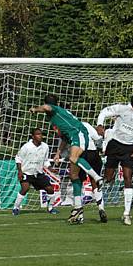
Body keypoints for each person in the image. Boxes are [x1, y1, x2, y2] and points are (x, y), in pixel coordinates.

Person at [29, 95, 104, 224]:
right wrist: (58, 153)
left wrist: (35, 110)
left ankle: (97, 178)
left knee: (73, 158)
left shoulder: (54, 109)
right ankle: (78, 208)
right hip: (75, 136)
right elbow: (64, 137)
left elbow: (47, 107)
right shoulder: (60, 117)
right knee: (73, 175)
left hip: (79, 134)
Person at [96, 94, 133, 226]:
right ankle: (99, 202)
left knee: (127, 178)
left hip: (129, 149)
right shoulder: (121, 109)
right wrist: (100, 125)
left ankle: (126, 213)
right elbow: (104, 112)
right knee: (108, 178)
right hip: (115, 145)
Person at [55, 120, 107, 223]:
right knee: (94, 183)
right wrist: (102, 148)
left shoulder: (66, 126)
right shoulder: (85, 124)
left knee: (75, 178)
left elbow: (64, 139)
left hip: (82, 153)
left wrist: (58, 153)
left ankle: (79, 213)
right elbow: (97, 137)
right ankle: (101, 208)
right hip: (94, 153)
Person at [12, 128, 59, 216]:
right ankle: (16, 208)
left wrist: (50, 168)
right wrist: (20, 171)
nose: (40, 136)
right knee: (25, 188)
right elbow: (18, 158)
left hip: (38, 173)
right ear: (33, 136)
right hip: (27, 172)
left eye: (41, 134)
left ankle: (51, 208)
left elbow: (45, 161)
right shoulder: (26, 147)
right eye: (38, 134)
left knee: (50, 189)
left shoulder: (45, 146)